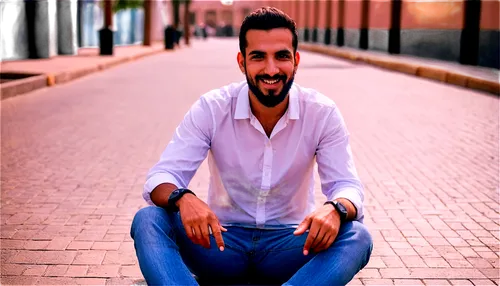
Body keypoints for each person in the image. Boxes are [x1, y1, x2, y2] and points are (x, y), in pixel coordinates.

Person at [131, 7, 373, 286]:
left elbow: (347, 185)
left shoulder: (321, 112)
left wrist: (335, 209)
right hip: (220, 243)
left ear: (295, 61)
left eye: (281, 56)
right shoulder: (212, 107)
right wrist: (183, 198)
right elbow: (161, 177)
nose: (271, 69)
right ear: (242, 62)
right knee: (149, 220)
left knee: (357, 236)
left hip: (291, 245)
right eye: (258, 57)